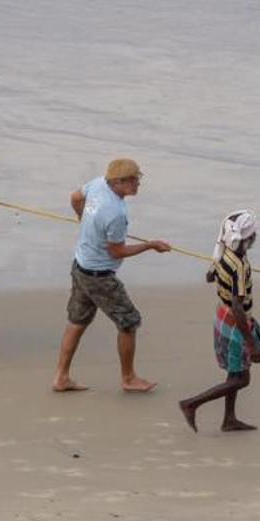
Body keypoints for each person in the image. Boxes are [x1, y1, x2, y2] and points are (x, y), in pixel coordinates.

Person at [52, 158, 172, 394]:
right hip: (100, 276)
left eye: (138, 178)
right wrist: (150, 246)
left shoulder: (98, 184)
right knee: (128, 322)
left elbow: (75, 197)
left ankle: (61, 377)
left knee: (77, 322)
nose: (138, 183)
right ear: (119, 182)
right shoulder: (115, 212)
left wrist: (82, 218)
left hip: (80, 265)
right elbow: (117, 251)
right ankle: (129, 378)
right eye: (134, 180)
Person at [179, 211, 260, 432]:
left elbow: (211, 276)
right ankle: (191, 404)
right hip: (235, 322)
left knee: (234, 372)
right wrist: (251, 343)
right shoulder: (240, 266)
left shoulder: (223, 254)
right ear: (248, 238)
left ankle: (229, 419)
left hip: (222, 315)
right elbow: (238, 305)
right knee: (242, 379)